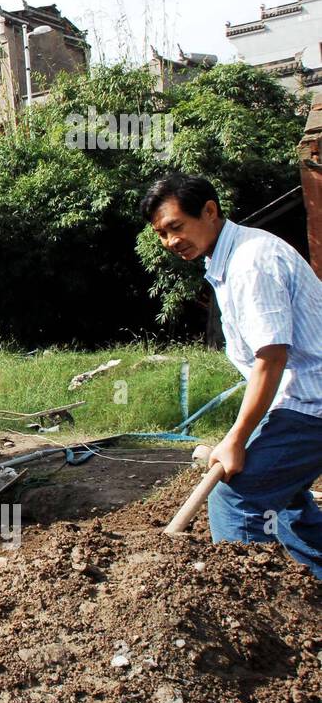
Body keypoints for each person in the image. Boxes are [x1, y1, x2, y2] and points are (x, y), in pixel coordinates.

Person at [142, 173, 322, 578]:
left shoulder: (250, 262)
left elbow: (271, 358)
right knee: (285, 498)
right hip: (298, 399)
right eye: (162, 234)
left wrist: (237, 438)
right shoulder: (229, 257)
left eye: (176, 227)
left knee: (235, 501)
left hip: (311, 402)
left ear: (209, 211)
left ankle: (247, 617)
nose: (171, 241)